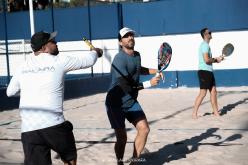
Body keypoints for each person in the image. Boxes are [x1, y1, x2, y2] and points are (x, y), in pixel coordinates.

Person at [6, 31, 103, 165]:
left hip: (29, 130)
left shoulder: (23, 66)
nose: (56, 43)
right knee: (70, 159)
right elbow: (88, 60)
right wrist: (95, 51)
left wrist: (32, 88)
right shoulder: (59, 60)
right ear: (44, 47)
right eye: (52, 41)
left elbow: (10, 92)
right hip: (54, 125)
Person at [105, 27, 162, 164]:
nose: (130, 37)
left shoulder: (137, 55)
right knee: (122, 138)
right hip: (115, 104)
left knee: (144, 129)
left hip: (131, 102)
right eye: (126, 36)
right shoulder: (119, 59)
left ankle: (134, 162)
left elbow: (138, 69)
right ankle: (119, 162)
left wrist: (155, 70)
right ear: (120, 42)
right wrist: (149, 83)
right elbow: (126, 86)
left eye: (131, 35)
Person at [192, 28, 224, 119]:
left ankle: (216, 112)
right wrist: (216, 60)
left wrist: (217, 59)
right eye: (209, 32)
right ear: (205, 35)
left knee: (213, 92)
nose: (211, 33)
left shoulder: (205, 45)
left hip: (208, 71)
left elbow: (208, 59)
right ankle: (194, 113)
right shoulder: (205, 45)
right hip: (204, 71)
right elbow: (206, 60)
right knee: (203, 93)